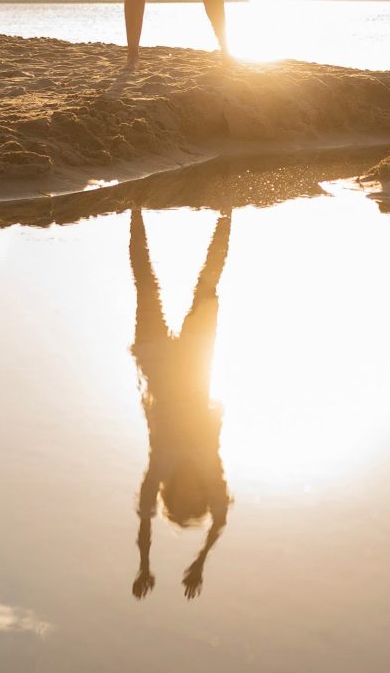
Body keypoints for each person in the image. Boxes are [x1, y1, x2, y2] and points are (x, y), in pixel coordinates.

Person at [128, 207, 234, 600]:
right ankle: (227, 212)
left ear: (173, 493)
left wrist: (144, 564)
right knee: (207, 289)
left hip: (156, 360)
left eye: (183, 499)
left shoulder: (161, 467)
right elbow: (221, 517)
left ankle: (135, 208)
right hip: (193, 360)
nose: (192, 492)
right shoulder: (210, 464)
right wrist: (202, 559)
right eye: (197, 498)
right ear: (203, 492)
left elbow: (143, 519)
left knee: (145, 285)